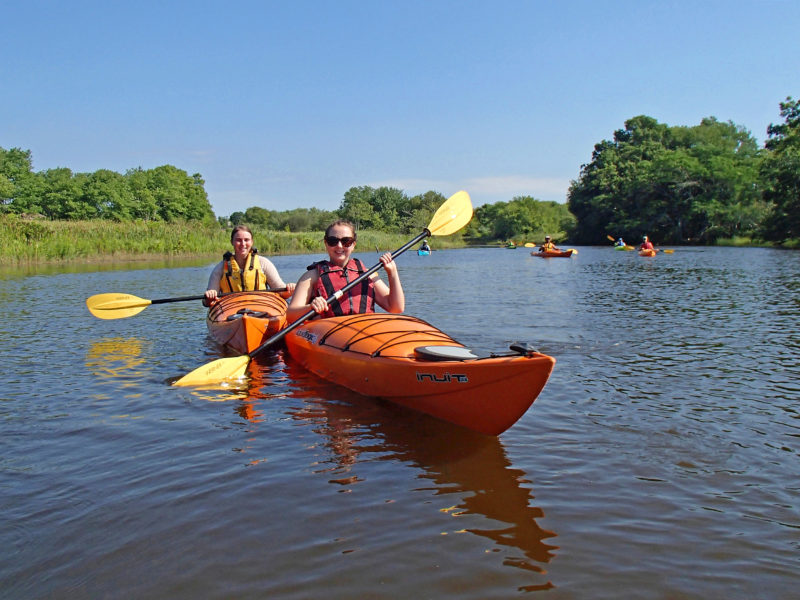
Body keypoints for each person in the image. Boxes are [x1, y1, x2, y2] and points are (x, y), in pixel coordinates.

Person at [287, 220, 405, 322]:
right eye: (333, 241)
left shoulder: (368, 274)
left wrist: (392, 273)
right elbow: (290, 315)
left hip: (364, 331)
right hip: (329, 334)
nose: (339, 246)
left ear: (353, 244)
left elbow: (396, 308)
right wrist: (310, 307)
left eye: (346, 241)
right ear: (326, 243)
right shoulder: (311, 276)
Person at [203, 225, 295, 306]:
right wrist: (210, 295)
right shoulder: (220, 268)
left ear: (251, 242)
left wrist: (289, 289)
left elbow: (282, 292)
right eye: (238, 240)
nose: (243, 244)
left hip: (261, 308)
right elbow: (206, 302)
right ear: (232, 242)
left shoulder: (264, 263)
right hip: (231, 310)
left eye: (246, 240)